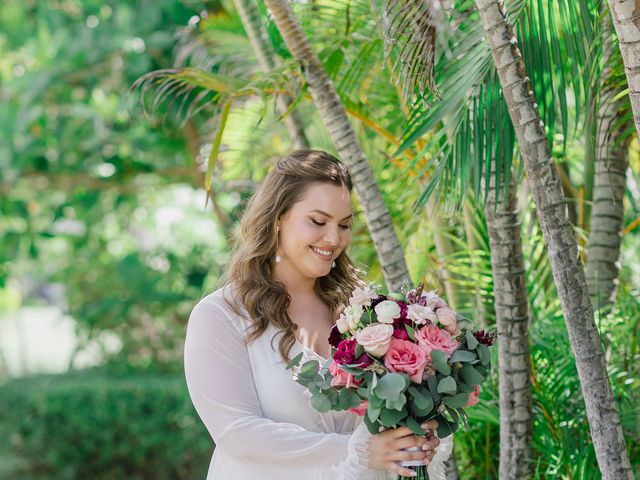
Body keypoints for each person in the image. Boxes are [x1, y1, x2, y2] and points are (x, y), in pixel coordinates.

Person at [184, 150, 453, 479]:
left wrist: (412, 434)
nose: (334, 238)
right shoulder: (220, 316)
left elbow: (385, 419)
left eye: (344, 225)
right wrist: (359, 451)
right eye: (318, 221)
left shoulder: (365, 314)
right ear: (278, 217)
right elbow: (237, 435)